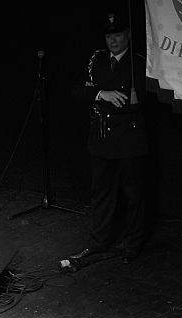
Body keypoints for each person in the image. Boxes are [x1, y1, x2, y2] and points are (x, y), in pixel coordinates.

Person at [61, 11, 148, 272]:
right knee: (101, 194)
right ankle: (99, 242)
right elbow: (78, 91)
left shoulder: (137, 62)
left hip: (129, 139)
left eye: (118, 35)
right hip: (101, 138)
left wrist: (100, 97)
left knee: (133, 193)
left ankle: (132, 244)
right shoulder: (97, 60)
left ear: (128, 36)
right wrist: (101, 93)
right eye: (110, 36)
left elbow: (136, 100)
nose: (114, 41)